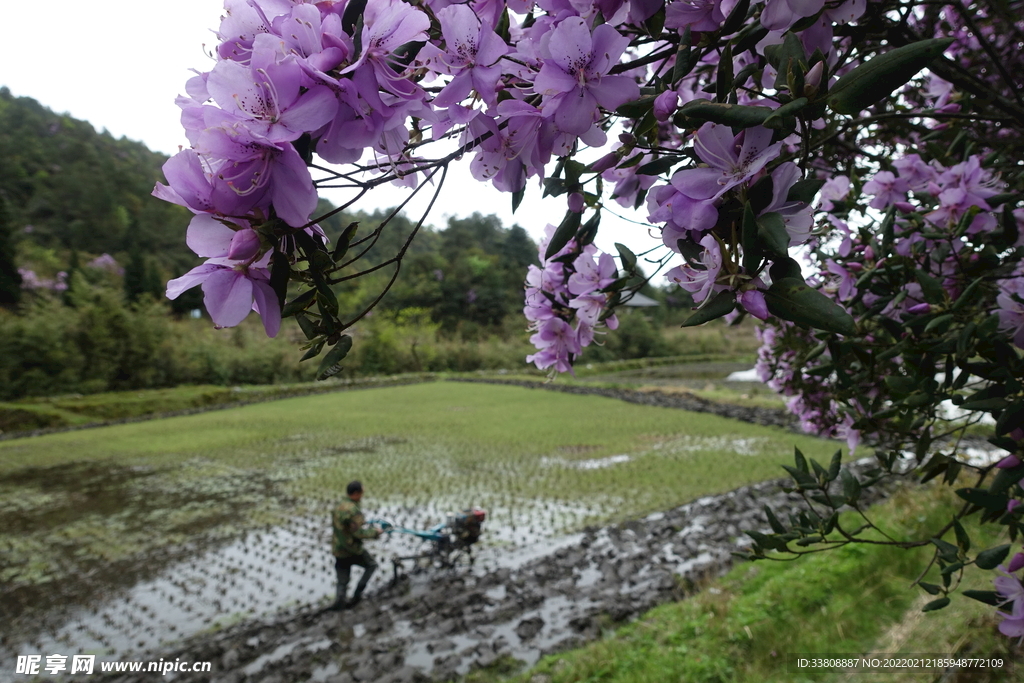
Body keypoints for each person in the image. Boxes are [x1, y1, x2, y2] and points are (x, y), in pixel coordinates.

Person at [328, 480, 381, 610]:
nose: (363, 495)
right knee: (371, 565)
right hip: (352, 550)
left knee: (342, 581)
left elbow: (344, 527)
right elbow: (358, 533)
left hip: (338, 549)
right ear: (356, 493)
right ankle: (357, 596)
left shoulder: (339, 506)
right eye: (362, 492)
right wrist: (375, 532)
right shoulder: (354, 510)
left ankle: (339, 606)